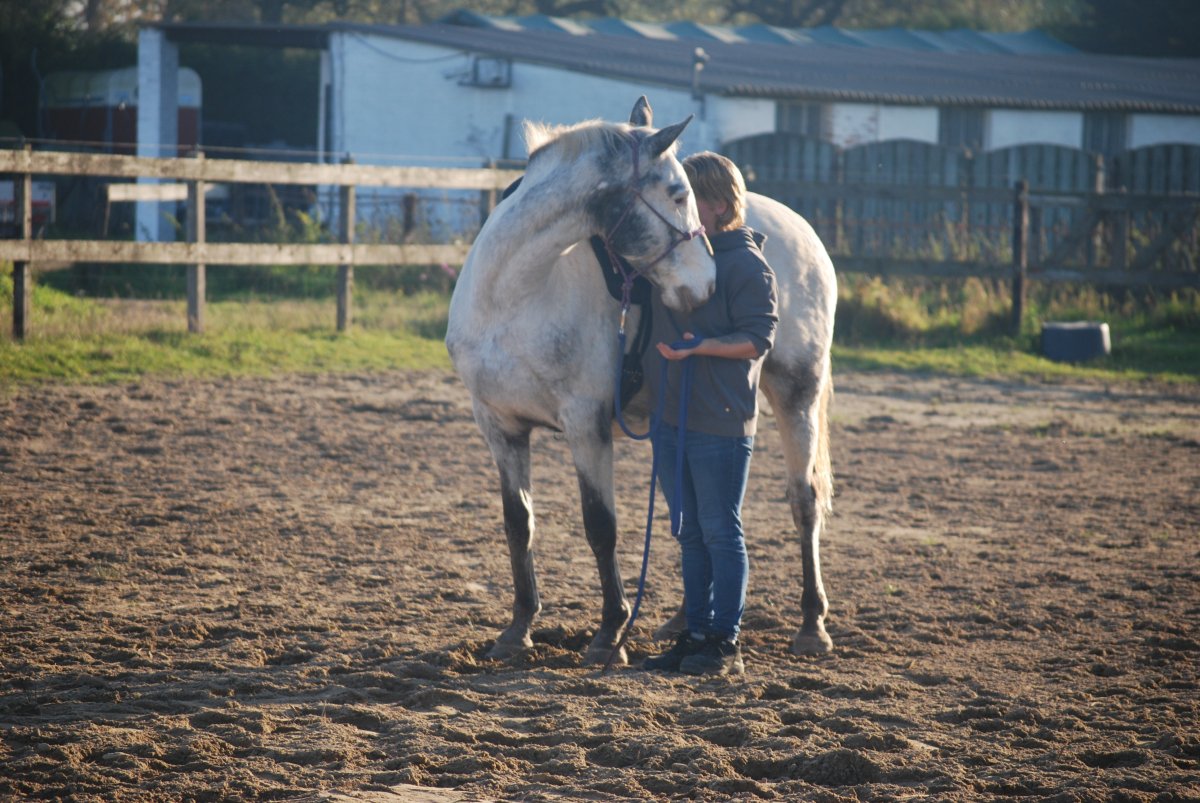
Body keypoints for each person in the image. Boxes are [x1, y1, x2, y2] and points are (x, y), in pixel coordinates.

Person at [641, 151, 778, 677]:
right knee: (689, 531)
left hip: (721, 420)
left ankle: (725, 641)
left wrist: (700, 349)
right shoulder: (677, 258)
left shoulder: (746, 265)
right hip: (673, 417)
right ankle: (693, 633)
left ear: (719, 205)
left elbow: (758, 339)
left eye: (693, 199)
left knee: (721, 530)